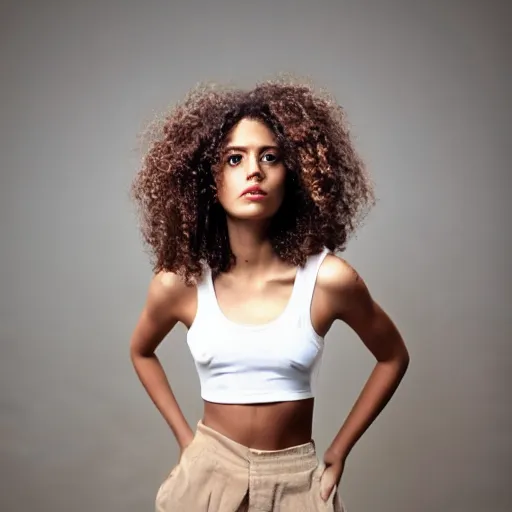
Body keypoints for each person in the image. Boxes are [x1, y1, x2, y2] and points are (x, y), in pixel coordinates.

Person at [129, 78, 410, 511]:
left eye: (270, 157)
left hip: (296, 482)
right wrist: (187, 441)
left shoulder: (329, 281)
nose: (253, 171)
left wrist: (337, 453)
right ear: (208, 178)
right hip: (208, 477)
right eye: (234, 158)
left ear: (294, 174)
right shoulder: (180, 282)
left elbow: (393, 356)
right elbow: (141, 351)